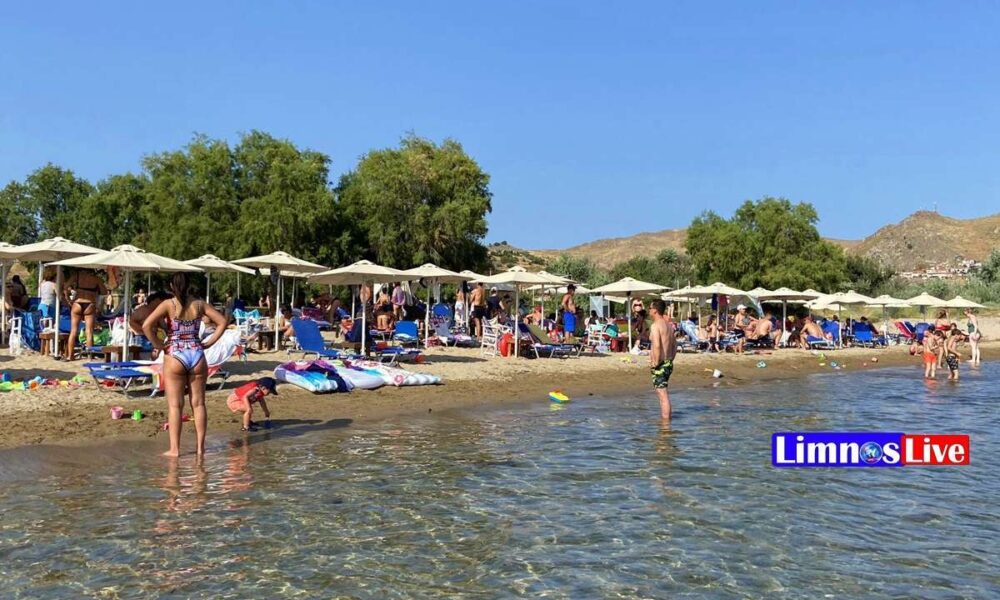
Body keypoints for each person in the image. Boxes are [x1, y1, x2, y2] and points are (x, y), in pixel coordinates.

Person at [143, 272, 228, 457]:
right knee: (198, 404)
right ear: (189, 285)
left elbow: (146, 326)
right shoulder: (199, 304)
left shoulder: (168, 304)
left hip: (175, 354)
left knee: (175, 406)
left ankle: (175, 450)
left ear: (172, 286)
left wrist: (158, 345)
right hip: (197, 354)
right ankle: (200, 449)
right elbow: (222, 321)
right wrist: (209, 343)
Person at [63, 269, 108, 360]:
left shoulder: (77, 276)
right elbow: (104, 292)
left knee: (73, 331)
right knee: (89, 331)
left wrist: (68, 299)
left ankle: (70, 356)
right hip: (90, 303)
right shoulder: (96, 278)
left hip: (77, 302)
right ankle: (89, 356)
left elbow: (65, 287)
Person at [649, 300, 677, 421]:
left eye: (650, 308)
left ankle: (665, 426)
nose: (649, 310)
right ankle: (666, 422)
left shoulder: (656, 325)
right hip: (668, 362)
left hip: (661, 364)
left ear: (655, 310)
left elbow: (656, 345)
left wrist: (655, 362)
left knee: (663, 395)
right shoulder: (669, 326)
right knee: (663, 394)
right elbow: (675, 345)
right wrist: (670, 358)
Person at [129, 291, 172, 357]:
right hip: (143, 338)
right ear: (156, 300)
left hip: (154, 338)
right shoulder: (143, 309)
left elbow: (163, 326)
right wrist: (144, 330)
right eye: (162, 301)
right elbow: (131, 322)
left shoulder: (158, 312)